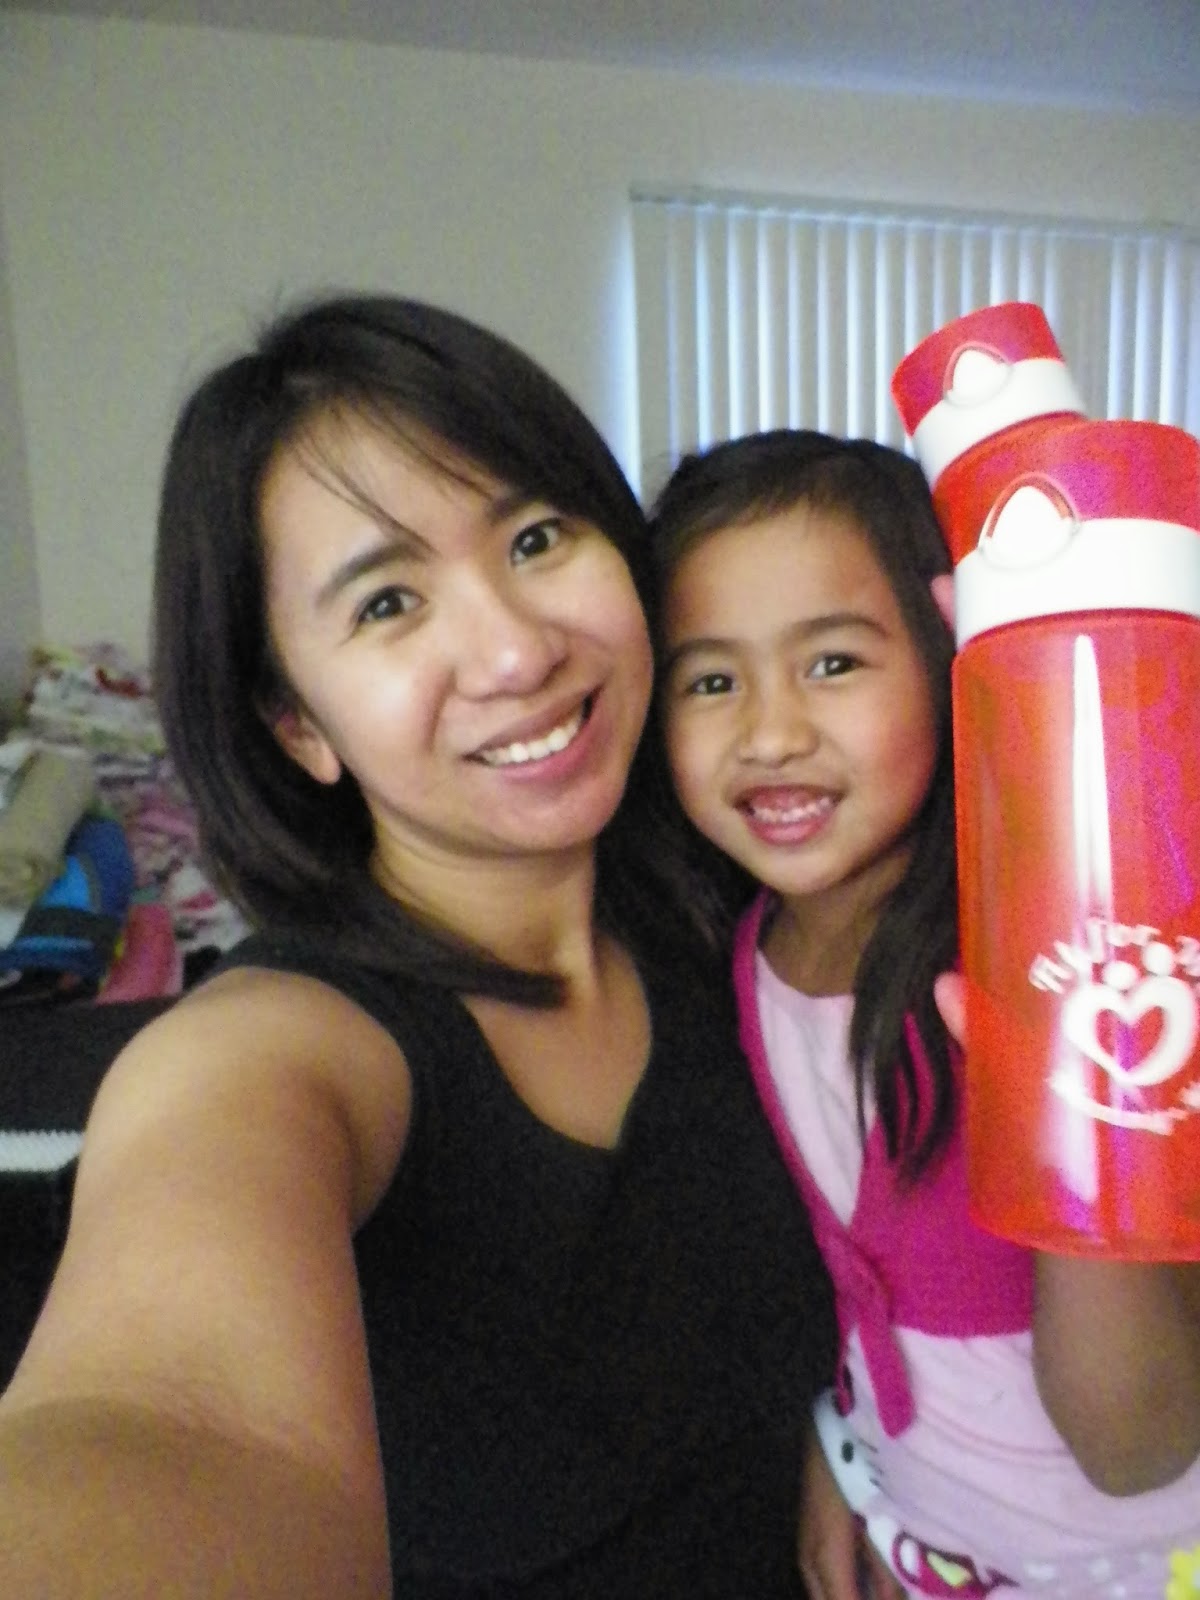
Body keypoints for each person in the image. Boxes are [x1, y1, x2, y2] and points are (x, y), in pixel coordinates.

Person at [0, 300, 838, 1597]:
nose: (517, 650)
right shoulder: (283, 1052)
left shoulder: (734, 901)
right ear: (297, 724)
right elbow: (167, 1420)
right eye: (389, 601)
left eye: (536, 537)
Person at [649, 428, 1200, 1600]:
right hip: (930, 1539)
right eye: (711, 680)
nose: (770, 732)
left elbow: (1136, 1442)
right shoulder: (743, 952)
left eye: (833, 662)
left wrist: (1065, 1116)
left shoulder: (1051, 961)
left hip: (1138, 1560)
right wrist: (846, 1451)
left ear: (953, 664)